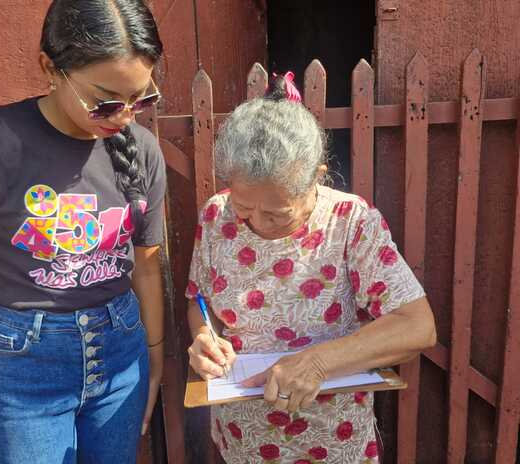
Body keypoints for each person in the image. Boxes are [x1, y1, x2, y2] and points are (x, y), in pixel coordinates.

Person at [0, 1, 166, 463]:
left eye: (143, 98)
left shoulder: (143, 150)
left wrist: (154, 360)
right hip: (27, 366)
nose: (126, 116)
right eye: (107, 101)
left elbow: (148, 268)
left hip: (122, 355)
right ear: (50, 68)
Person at [185, 73, 436, 463]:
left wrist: (317, 362)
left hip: (331, 440)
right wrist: (204, 336)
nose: (254, 223)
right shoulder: (216, 215)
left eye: (275, 214)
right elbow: (198, 299)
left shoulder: (350, 221)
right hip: (242, 436)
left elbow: (418, 326)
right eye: (245, 208)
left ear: (315, 180)